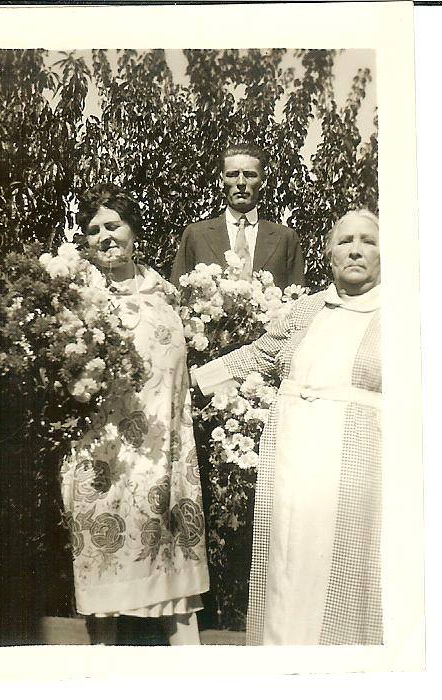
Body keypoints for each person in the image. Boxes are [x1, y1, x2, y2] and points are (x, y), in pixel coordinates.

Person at [192, 209, 382, 645]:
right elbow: (257, 355)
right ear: (329, 254)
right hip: (292, 457)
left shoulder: (402, 316)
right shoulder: (308, 309)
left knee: (345, 560)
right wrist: (193, 381)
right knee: (287, 554)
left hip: (359, 460)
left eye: (368, 241)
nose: (355, 250)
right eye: (345, 241)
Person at [60, 182, 209, 645]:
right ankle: (102, 665)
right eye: (94, 230)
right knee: (103, 564)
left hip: (165, 450)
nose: (105, 236)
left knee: (174, 569)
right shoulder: (76, 296)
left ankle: (193, 669)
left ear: (133, 230)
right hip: (104, 454)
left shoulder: (164, 291)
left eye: (114, 225)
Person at [170, 142, 305, 288]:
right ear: (221, 180)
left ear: (263, 181)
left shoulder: (285, 239)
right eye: (233, 175)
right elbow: (177, 296)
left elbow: (297, 298)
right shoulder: (196, 235)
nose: (241, 182)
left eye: (250, 175)